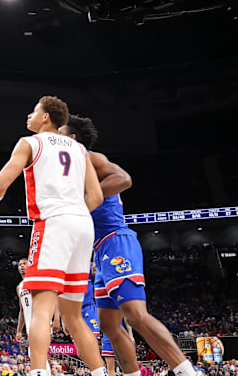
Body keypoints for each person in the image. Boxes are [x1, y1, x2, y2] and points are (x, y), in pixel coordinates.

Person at [59, 115, 198, 376]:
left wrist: (86, 197)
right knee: (110, 327)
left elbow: (124, 179)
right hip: (100, 251)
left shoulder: (89, 157)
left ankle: (188, 372)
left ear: (72, 138)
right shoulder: (69, 169)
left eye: (60, 131)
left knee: (134, 315)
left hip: (116, 240)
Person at [0, 96, 105, 376]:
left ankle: (38, 372)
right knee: (73, 316)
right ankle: (100, 373)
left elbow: (0, 185)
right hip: (83, 225)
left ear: (46, 117)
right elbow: (96, 196)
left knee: (42, 308)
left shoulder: (30, 143)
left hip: (52, 224)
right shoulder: (80, 149)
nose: (29, 116)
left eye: (34, 111)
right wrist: (73, 212)